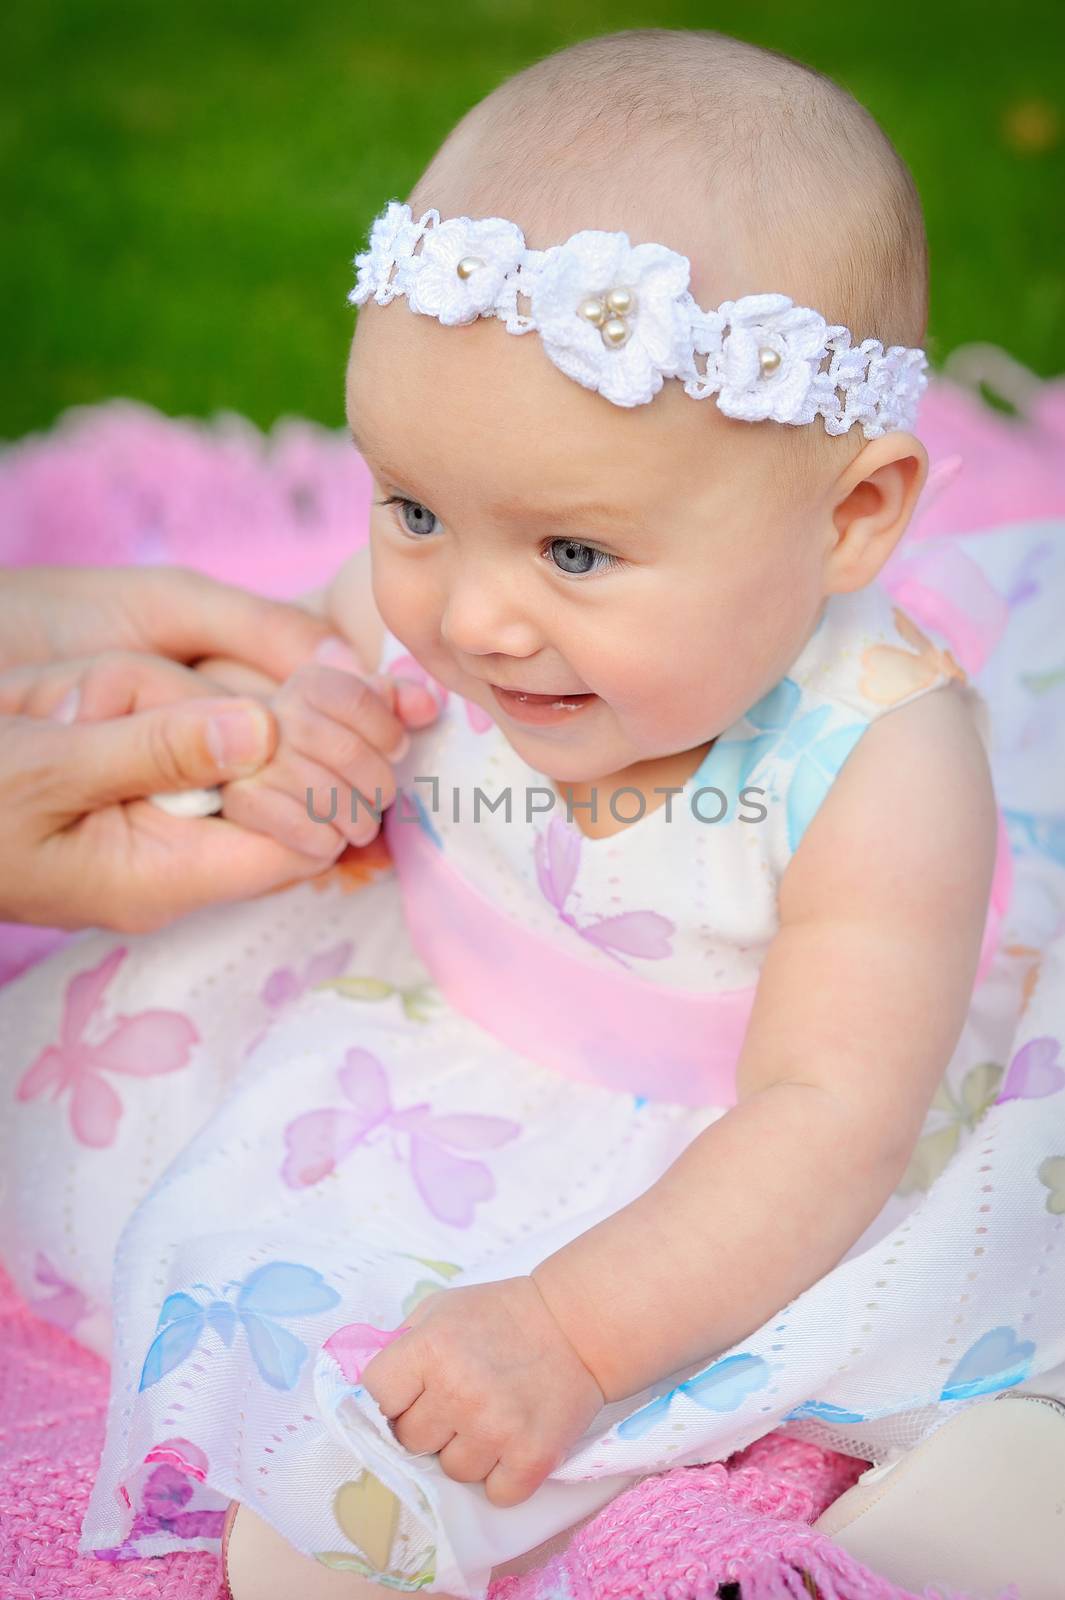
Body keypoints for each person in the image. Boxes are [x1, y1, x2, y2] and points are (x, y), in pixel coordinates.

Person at [2, 25, 1064, 1600]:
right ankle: (329, 1493)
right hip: (416, 1036)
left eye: (573, 553)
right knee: (258, 1257)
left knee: (811, 1345)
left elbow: (827, 1116)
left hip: (722, 1158)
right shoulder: (432, 600)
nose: (471, 617)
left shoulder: (884, 756)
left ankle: (949, 1488)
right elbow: (328, 675)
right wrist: (311, 752)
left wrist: (568, 1330)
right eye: (415, 507)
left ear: (851, 518)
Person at [0, 564, 436, 930]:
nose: (469, 620)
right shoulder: (390, 600)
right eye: (418, 517)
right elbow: (263, 687)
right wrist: (285, 747)